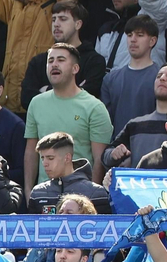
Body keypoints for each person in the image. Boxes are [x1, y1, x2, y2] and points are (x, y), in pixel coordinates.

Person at [22, 44, 113, 198]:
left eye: (61, 60)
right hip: (43, 195)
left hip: (80, 197)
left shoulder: (94, 107)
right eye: (50, 61)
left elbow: (99, 159)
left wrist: (93, 197)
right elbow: (31, 152)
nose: (54, 64)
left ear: (75, 69)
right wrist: (28, 191)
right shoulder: (36, 103)